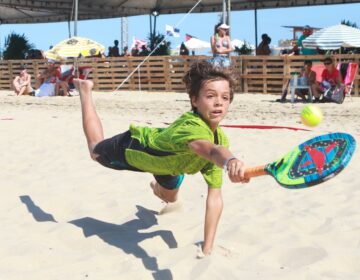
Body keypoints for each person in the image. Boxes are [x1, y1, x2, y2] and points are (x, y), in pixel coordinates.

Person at [74, 61, 248, 256]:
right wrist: (230, 161)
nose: (219, 102)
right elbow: (211, 150)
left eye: (225, 98)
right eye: (210, 96)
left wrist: (207, 248)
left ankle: (158, 186)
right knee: (94, 149)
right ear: (194, 101)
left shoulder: (221, 138)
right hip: (134, 148)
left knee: (170, 198)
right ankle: (85, 91)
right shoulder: (191, 127)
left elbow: (214, 198)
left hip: (168, 165)